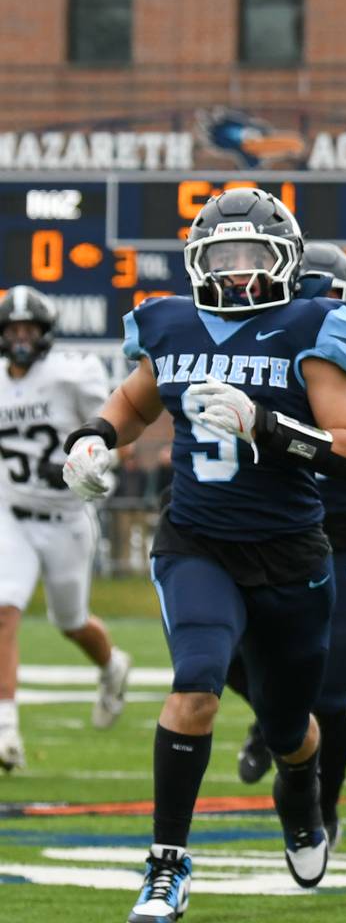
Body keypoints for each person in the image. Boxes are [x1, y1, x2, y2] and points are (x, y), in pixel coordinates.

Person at [61, 188, 346, 921]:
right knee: (195, 685)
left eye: (252, 257)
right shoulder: (170, 322)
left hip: (291, 552)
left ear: (285, 260)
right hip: (196, 540)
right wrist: (93, 438)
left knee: (288, 727)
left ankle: (300, 800)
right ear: (200, 262)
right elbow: (137, 402)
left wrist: (265, 426)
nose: (237, 273)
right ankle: (165, 867)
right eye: (223, 257)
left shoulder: (314, 326)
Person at [229, 241, 346, 850]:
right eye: (313, 298)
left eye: (333, 300)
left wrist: (303, 441)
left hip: (341, 542)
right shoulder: (257, 346)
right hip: (268, 534)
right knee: (215, 650)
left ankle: (322, 807)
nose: (322, 311)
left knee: (331, 696)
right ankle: (273, 712)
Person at [0, 285, 132, 772]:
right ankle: (5, 730)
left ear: (44, 333)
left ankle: (111, 665)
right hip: (11, 514)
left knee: (70, 622)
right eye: (11, 329)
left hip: (66, 517)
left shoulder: (72, 376)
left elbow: (114, 435)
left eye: (27, 329)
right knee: (3, 609)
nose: (19, 338)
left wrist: (78, 464)